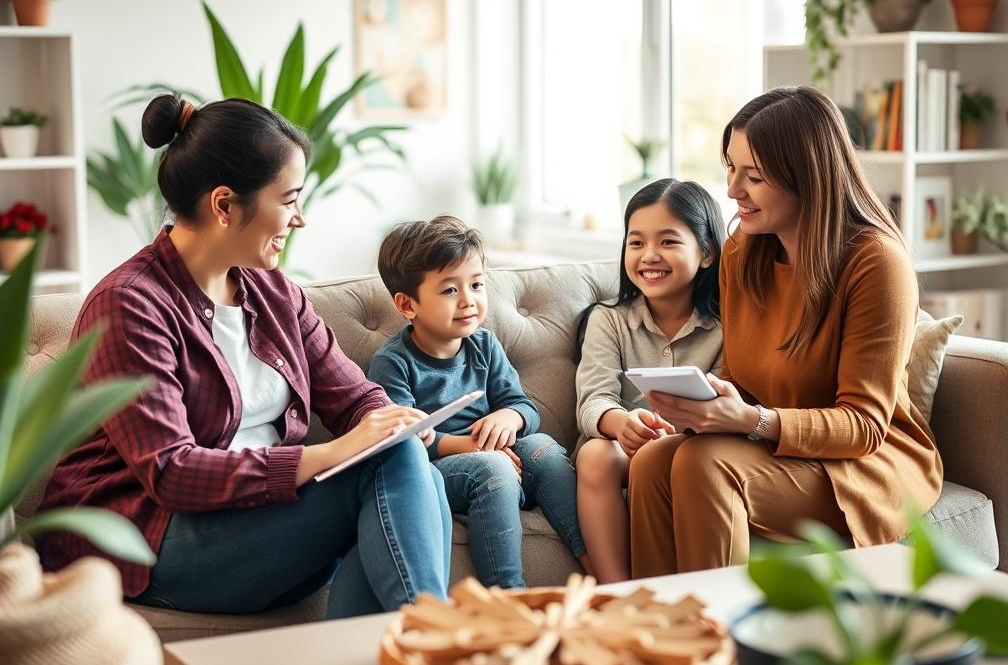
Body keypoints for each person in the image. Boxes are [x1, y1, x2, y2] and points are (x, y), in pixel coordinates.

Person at [38, 94, 452, 619]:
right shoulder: (128, 305)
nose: (299, 219)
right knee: (388, 463)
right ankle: (435, 643)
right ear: (225, 205)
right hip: (146, 538)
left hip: (253, 520)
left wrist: (387, 419)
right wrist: (332, 454)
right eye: (289, 200)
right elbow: (171, 472)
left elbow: (353, 395)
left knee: (402, 455)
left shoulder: (273, 291)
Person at [628, 86, 942, 577]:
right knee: (651, 463)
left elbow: (863, 426)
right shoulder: (742, 251)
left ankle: (722, 641)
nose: (732, 190)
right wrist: (703, 410)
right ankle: (659, 634)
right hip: (777, 445)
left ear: (808, 177)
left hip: (863, 463)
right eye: (730, 168)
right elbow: (741, 377)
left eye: (753, 176)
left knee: (703, 466)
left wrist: (751, 421)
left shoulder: (876, 263)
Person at [369, 216, 590, 588]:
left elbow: (524, 407)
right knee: (493, 468)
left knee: (545, 450)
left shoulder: (484, 345)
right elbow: (406, 443)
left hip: (503, 456)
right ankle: (507, 596)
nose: (469, 300)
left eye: (475, 284)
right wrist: (476, 447)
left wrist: (509, 417)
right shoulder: (393, 363)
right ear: (408, 305)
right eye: (450, 291)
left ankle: (594, 565)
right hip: (440, 470)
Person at [574, 179, 725, 583]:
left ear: (707, 252)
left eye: (669, 242)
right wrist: (622, 424)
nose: (649, 256)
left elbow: (731, 399)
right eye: (636, 242)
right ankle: (618, 593)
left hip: (697, 448)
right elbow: (594, 398)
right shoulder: (608, 319)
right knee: (594, 456)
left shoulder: (729, 327)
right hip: (625, 448)